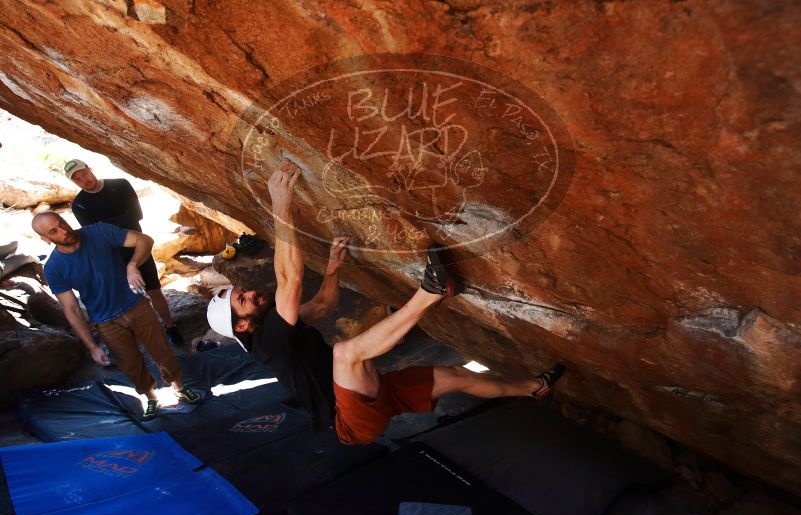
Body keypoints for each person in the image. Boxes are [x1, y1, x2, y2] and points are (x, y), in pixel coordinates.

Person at [206, 160, 565, 444]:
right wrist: (280, 205)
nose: (250, 292)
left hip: (365, 395)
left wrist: (332, 270)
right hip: (349, 421)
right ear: (242, 325)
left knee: (456, 376)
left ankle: (535, 387)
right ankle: (431, 292)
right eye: (243, 298)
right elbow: (290, 278)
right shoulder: (268, 341)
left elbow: (322, 306)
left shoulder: (275, 327)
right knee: (345, 353)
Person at [31, 211, 201, 420]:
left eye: (62, 223)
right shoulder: (54, 268)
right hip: (105, 320)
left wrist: (132, 265)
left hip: (135, 304)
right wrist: (92, 347)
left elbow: (144, 240)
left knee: (161, 350)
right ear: (46, 239)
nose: (64, 231)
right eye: (54, 231)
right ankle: (151, 398)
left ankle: (179, 387)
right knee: (130, 363)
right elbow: (71, 309)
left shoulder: (99, 231)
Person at [64, 159, 183, 346]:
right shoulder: (79, 204)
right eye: (78, 179)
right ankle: (144, 334)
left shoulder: (119, 185)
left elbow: (136, 214)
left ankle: (170, 326)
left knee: (154, 290)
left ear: (90, 168)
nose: (84, 180)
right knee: (129, 298)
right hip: (112, 255)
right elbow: (94, 233)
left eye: (84, 173)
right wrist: (118, 223)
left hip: (138, 246)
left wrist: (106, 226)